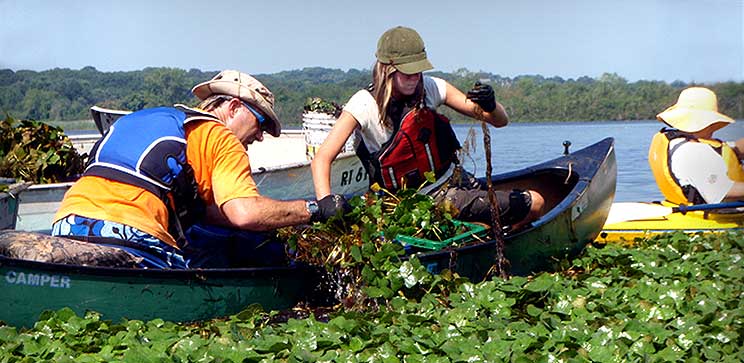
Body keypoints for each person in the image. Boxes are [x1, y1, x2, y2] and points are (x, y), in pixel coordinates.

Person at [52, 70, 347, 269]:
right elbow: (244, 213)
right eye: (261, 124)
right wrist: (314, 210)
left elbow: (208, 213)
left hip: (66, 222)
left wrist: (281, 219)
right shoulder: (221, 137)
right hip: (130, 235)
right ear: (233, 108)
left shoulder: (145, 118)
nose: (259, 137)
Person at [311, 26, 545, 231]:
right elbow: (322, 158)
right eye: (408, 72)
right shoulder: (363, 104)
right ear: (388, 69)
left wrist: (491, 105)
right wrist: (326, 202)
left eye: (418, 70)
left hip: (452, 180)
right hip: (417, 201)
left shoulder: (432, 87)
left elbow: (498, 121)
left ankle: (486, 232)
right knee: (536, 203)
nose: (415, 78)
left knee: (526, 203)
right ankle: (482, 231)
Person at [649, 86, 744, 205]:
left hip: (680, 205)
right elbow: (725, 191)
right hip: (710, 215)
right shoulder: (695, 152)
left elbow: (733, 149)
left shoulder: (677, 141)